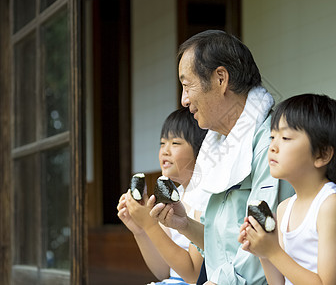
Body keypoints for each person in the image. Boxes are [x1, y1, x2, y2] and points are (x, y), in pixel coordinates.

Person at [147, 29, 295, 285]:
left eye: (186, 85)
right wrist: (185, 225)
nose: (183, 100)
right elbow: (222, 248)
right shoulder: (218, 145)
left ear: (220, 79)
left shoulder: (270, 144)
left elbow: (264, 242)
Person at [238, 94, 336, 285]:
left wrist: (272, 251)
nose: (272, 146)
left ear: (322, 154)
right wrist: (262, 251)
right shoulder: (284, 209)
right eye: (272, 137)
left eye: (286, 137)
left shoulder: (332, 205)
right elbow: (278, 283)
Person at [117, 107, 207, 284]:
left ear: (201, 149)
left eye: (175, 143)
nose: (165, 151)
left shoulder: (205, 198)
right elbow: (162, 271)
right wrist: (140, 230)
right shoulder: (175, 195)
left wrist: (150, 225)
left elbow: (193, 275)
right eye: (162, 143)